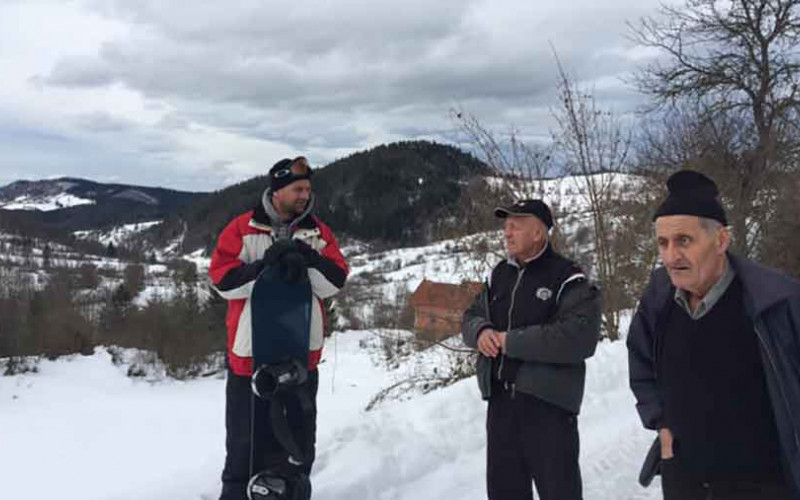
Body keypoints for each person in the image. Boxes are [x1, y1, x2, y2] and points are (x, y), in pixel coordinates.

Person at [627, 169, 800, 500]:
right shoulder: (658, 299)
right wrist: (661, 423)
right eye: (663, 243)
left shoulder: (777, 302)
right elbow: (641, 362)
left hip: (763, 484)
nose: (671, 256)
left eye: (684, 241)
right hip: (685, 480)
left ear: (721, 240)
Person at [209, 156, 348, 500]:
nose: (305, 195)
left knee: (298, 443)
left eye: (308, 189)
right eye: (298, 189)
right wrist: (264, 268)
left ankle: (294, 492)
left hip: (301, 356)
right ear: (277, 190)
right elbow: (222, 281)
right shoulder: (242, 228)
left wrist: (309, 259)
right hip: (251, 358)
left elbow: (335, 281)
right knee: (245, 444)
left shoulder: (318, 233)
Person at [461, 199, 602, 500]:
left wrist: (510, 342)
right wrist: (481, 331)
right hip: (501, 406)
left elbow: (578, 338)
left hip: (548, 409)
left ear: (538, 233)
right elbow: (470, 315)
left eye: (515, 226)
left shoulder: (568, 277)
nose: (506, 233)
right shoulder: (499, 274)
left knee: (559, 492)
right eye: (506, 226)